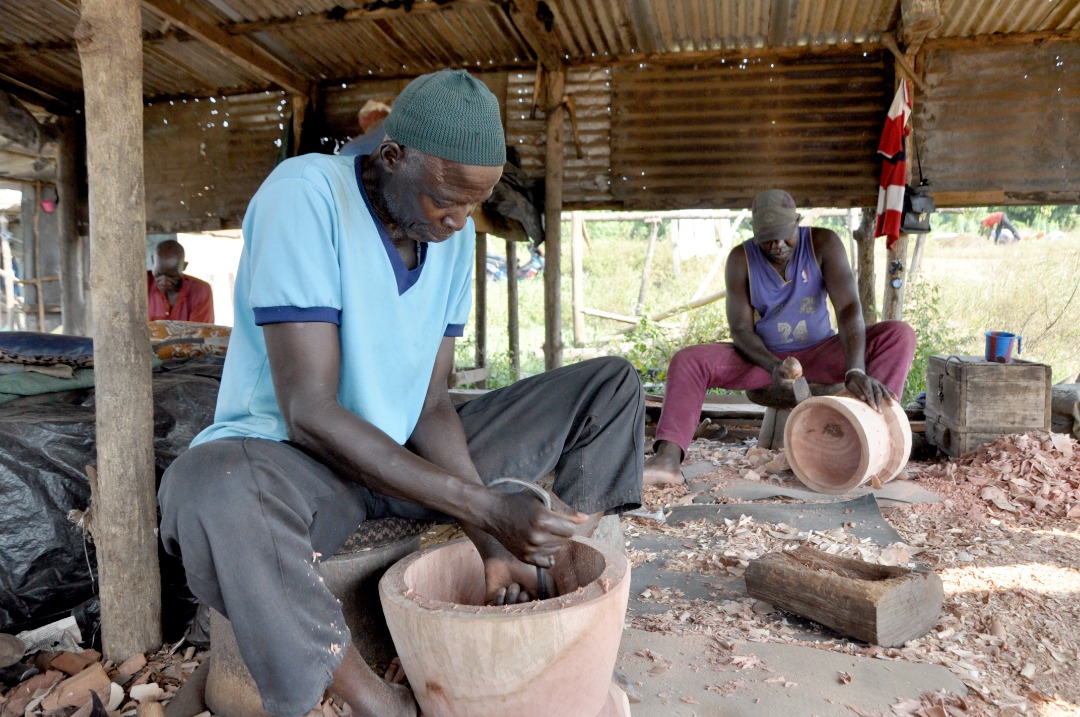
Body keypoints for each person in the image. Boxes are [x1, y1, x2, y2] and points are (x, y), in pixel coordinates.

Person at [157, 69, 644, 717]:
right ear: (391, 156)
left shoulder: (454, 233)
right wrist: (484, 505)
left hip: (405, 450)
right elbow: (309, 412)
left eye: (473, 204)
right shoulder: (304, 196)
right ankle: (372, 699)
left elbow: (433, 401)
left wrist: (492, 540)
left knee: (610, 383)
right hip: (303, 463)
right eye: (446, 198)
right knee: (211, 486)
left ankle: (550, 573)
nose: (458, 219)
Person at [643, 189, 916, 486]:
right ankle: (668, 459)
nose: (777, 245)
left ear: (797, 222)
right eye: (767, 239)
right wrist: (773, 366)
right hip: (764, 359)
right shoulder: (740, 259)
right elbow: (741, 330)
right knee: (688, 361)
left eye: (785, 236)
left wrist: (855, 369)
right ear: (754, 233)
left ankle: (882, 446)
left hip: (823, 351)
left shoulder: (823, 243)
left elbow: (849, 308)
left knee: (898, 335)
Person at [147, 239, 215, 322]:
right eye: (158, 274)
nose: (164, 282)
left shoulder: (200, 291)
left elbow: (200, 333)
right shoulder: (141, 284)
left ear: (184, 266)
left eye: (172, 276)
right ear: (153, 261)